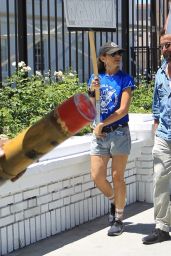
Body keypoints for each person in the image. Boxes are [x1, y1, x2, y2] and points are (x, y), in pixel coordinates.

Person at [87, 42, 135, 236]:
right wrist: (92, 90)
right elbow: (92, 108)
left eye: (119, 53)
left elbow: (123, 109)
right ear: (103, 58)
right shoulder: (95, 78)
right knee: (97, 176)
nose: (118, 56)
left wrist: (103, 124)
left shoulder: (125, 79)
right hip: (100, 135)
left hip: (119, 134)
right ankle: (115, 201)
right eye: (113, 54)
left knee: (117, 177)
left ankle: (119, 218)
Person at [142, 30, 171, 244]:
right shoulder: (160, 72)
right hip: (164, 135)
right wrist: (155, 123)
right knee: (160, 180)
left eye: (168, 45)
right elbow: (156, 101)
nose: (164, 50)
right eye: (162, 46)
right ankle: (161, 228)